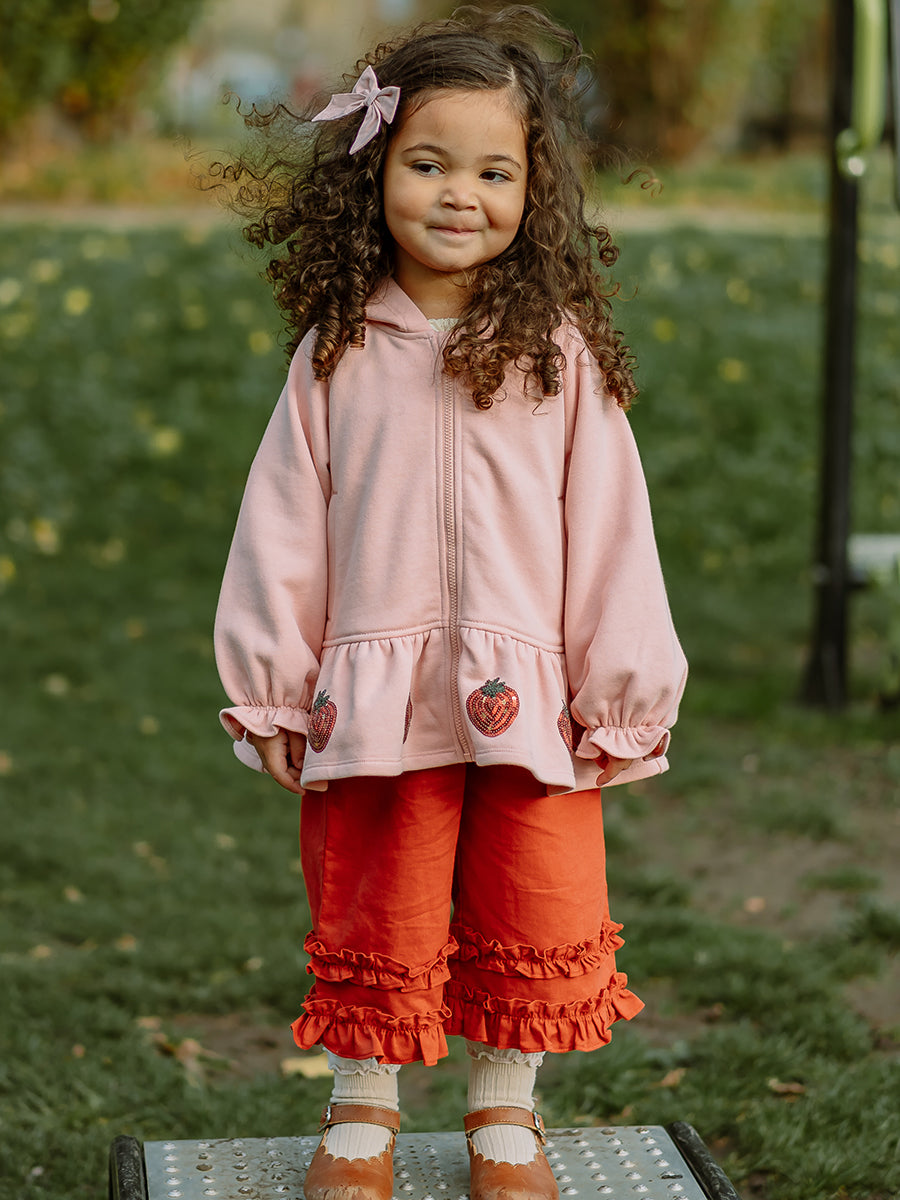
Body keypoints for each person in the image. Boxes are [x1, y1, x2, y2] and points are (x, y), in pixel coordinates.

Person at [213, 8, 687, 1200]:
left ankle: (505, 1114)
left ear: (534, 189)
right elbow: (282, 525)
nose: (460, 195)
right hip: (376, 697)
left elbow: (611, 528)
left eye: (493, 171)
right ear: (375, 174)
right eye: (428, 164)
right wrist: (272, 685)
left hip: (532, 700)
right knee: (379, 900)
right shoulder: (336, 353)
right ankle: (361, 1109)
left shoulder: (557, 354)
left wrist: (620, 693)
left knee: (529, 896)